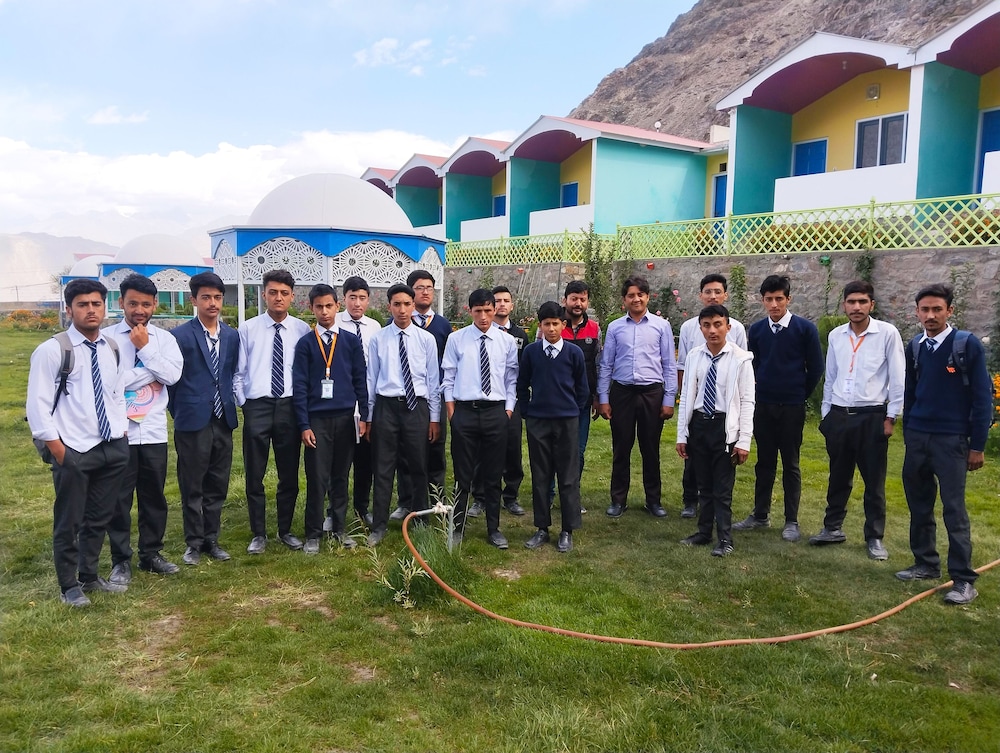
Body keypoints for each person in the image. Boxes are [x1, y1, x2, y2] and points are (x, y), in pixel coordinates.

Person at [27, 278, 130, 607]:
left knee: (99, 517)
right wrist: (59, 450)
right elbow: (37, 405)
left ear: (104, 307)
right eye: (83, 304)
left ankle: (89, 576)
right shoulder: (53, 350)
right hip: (73, 449)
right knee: (69, 520)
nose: (91, 310)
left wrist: (121, 430)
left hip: (111, 447)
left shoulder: (112, 347)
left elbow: (116, 393)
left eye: (96, 303)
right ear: (69, 309)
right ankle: (69, 585)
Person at [896, 283, 991, 605]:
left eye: (937, 309)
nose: (931, 315)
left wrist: (977, 446)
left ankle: (963, 579)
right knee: (919, 504)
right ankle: (925, 563)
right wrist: (910, 432)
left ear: (949, 310)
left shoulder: (966, 345)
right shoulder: (916, 347)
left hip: (951, 441)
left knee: (954, 509)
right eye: (925, 309)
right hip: (919, 437)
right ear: (917, 312)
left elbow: (982, 398)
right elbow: (911, 392)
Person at [809, 281, 904, 561]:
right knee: (838, 476)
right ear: (844, 305)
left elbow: (898, 377)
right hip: (839, 415)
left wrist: (891, 416)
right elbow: (831, 376)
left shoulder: (887, 334)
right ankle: (832, 528)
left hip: (871, 416)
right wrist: (826, 413)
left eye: (862, 302)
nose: (857, 307)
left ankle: (874, 537)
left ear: (871, 304)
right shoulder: (837, 336)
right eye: (851, 302)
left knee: (874, 480)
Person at [103, 273, 184, 583]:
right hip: (118, 431)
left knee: (154, 497)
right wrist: (151, 372)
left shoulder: (165, 340)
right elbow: (111, 382)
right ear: (121, 302)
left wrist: (146, 350)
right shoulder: (107, 339)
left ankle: (151, 553)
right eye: (133, 303)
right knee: (118, 499)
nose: (139, 310)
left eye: (146, 304)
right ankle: (120, 560)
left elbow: (172, 376)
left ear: (155, 305)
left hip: (152, 431)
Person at [735, 275, 823, 542]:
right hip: (763, 405)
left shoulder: (805, 329)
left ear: (788, 299)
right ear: (762, 300)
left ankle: (791, 520)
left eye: (779, 299)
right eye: (769, 299)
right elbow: (754, 365)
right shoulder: (757, 330)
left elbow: (816, 368)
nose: (774, 304)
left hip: (792, 407)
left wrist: (798, 393)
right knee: (764, 462)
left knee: (791, 463)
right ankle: (760, 514)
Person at [235, 269, 311, 554]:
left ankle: (285, 530)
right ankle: (258, 533)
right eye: (273, 292)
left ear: (292, 296)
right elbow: (238, 372)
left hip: (289, 407)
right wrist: (245, 403)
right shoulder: (248, 329)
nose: (278, 297)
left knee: (288, 473)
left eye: (284, 293)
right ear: (264, 294)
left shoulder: (302, 330)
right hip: (258, 406)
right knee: (254, 472)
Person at [168, 272, 239, 566]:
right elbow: (172, 382)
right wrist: (182, 411)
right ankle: (193, 543)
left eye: (217, 297)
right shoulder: (180, 336)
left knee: (217, 483)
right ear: (194, 300)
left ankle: (212, 538)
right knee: (192, 484)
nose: (213, 303)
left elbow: (230, 373)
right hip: (192, 420)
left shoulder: (231, 336)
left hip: (223, 419)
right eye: (206, 297)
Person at [293, 284, 369, 554]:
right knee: (317, 477)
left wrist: (364, 416)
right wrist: (304, 425)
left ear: (337, 306)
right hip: (317, 421)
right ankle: (313, 533)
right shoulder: (305, 344)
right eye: (319, 307)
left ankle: (339, 528)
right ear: (311, 308)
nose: (324, 312)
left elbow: (360, 380)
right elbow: (299, 386)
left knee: (340, 476)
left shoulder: (350, 341)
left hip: (346, 418)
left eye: (329, 306)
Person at [676, 305, 755, 557]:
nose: (712, 330)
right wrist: (682, 434)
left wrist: (744, 440)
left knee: (722, 488)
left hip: (724, 427)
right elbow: (687, 396)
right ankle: (703, 532)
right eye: (707, 325)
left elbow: (747, 400)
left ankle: (724, 538)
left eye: (718, 325)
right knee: (704, 484)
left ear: (728, 327)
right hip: (700, 424)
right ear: (700, 328)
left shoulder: (741, 358)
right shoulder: (694, 356)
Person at [443, 288, 519, 549]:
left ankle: (493, 528)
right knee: (462, 474)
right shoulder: (457, 339)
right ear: (470, 311)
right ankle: (457, 527)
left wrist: (508, 410)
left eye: (488, 310)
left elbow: (511, 378)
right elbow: (448, 377)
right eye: (478, 311)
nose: (484, 317)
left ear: (495, 309)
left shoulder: (506, 342)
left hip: (495, 412)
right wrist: (452, 413)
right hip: (465, 411)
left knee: (493, 473)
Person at [365, 283, 441, 547]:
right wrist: (369, 417)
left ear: (413, 305)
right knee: (383, 467)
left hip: (416, 407)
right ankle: (379, 525)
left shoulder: (426, 339)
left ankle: (420, 520)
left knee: (418, 465)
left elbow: (433, 381)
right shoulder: (379, 339)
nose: (402, 309)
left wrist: (434, 418)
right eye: (397, 304)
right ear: (389, 306)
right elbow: (372, 378)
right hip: (386, 407)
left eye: (407, 304)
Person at [597, 275, 677, 518]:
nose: (636, 299)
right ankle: (618, 500)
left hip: (652, 393)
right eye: (631, 295)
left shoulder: (661, 326)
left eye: (640, 295)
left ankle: (653, 501)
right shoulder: (615, 327)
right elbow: (606, 364)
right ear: (624, 300)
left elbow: (669, 364)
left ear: (648, 297)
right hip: (622, 393)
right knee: (621, 448)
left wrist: (669, 399)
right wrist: (603, 398)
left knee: (650, 449)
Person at [518, 301, 590, 553]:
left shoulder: (573, 353)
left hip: (566, 421)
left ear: (563, 325)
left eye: (555, 324)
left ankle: (567, 530)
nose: (551, 329)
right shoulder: (531, 352)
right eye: (546, 324)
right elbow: (522, 384)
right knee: (541, 475)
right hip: (538, 421)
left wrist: (571, 411)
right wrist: (527, 412)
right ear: (540, 325)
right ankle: (541, 528)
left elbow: (582, 388)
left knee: (568, 476)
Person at [676, 274, 748, 519]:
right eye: (708, 292)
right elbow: (683, 366)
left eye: (718, 292)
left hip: (724, 409)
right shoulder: (689, 328)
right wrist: (684, 400)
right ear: (701, 295)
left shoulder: (737, 330)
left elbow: (742, 367)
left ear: (725, 295)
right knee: (693, 460)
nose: (713, 296)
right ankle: (691, 501)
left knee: (721, 467)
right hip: (697, 406)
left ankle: (720, 513)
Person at [390, 269, 451, 520]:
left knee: (434, 449)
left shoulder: (442, 325)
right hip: (405, 399)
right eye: (419, 287)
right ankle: (407, 501)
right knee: (405, 453)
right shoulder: (398, 322)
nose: (425, 292)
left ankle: (437, 501)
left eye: (429, 287)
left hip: (433, 396)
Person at [469, 285, 527, 517]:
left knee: (512, 449)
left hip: (510, 400)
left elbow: (519, 371)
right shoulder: (478, 333)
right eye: (498, 300)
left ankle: (510, 495)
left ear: (511, 305)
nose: (502, 304)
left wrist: (512, 406)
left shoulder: (519, 335)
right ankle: (480, 496)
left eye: (506, 300)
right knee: (482, 451)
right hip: (484, 402)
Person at [330, 276, 381, 530]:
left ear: (368, 300)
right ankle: (333, 511)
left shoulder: (375, 327)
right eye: (352, 297)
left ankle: (362, 508)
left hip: (367, 400)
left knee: (365, 462)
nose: (357, 303)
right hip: (340, 402)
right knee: (337, 463)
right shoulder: (334, 323)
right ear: (344, 299)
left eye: (362, 298)